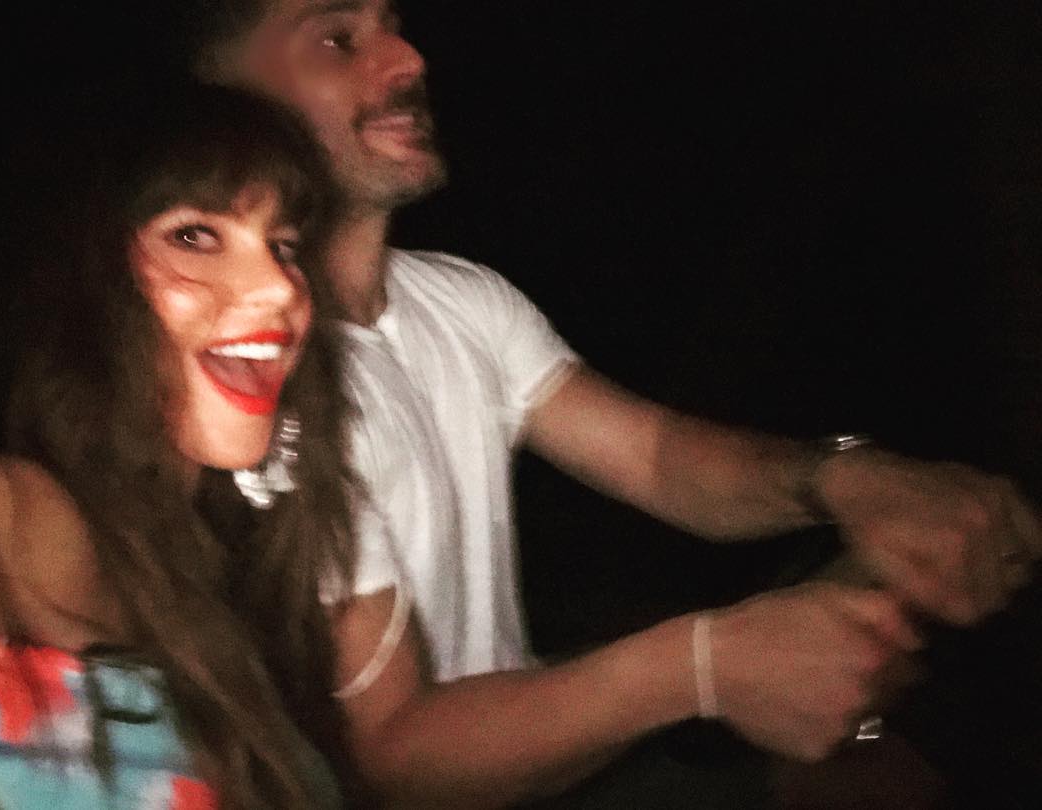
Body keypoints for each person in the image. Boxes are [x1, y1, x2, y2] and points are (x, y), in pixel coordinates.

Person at [162, 1, 1040, 806]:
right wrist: (705, 667)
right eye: (338, 38)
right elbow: (391, 763)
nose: (408, 59)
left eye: (394, 24)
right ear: (224, 96)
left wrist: (846, 477)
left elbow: (657, 457)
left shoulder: (460, 298)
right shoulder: (236, 370)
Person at [0, 81, 352, 808]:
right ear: (71, 280)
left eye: (284, 246)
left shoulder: (226, 572)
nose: (280, 289)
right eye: (194, 236)